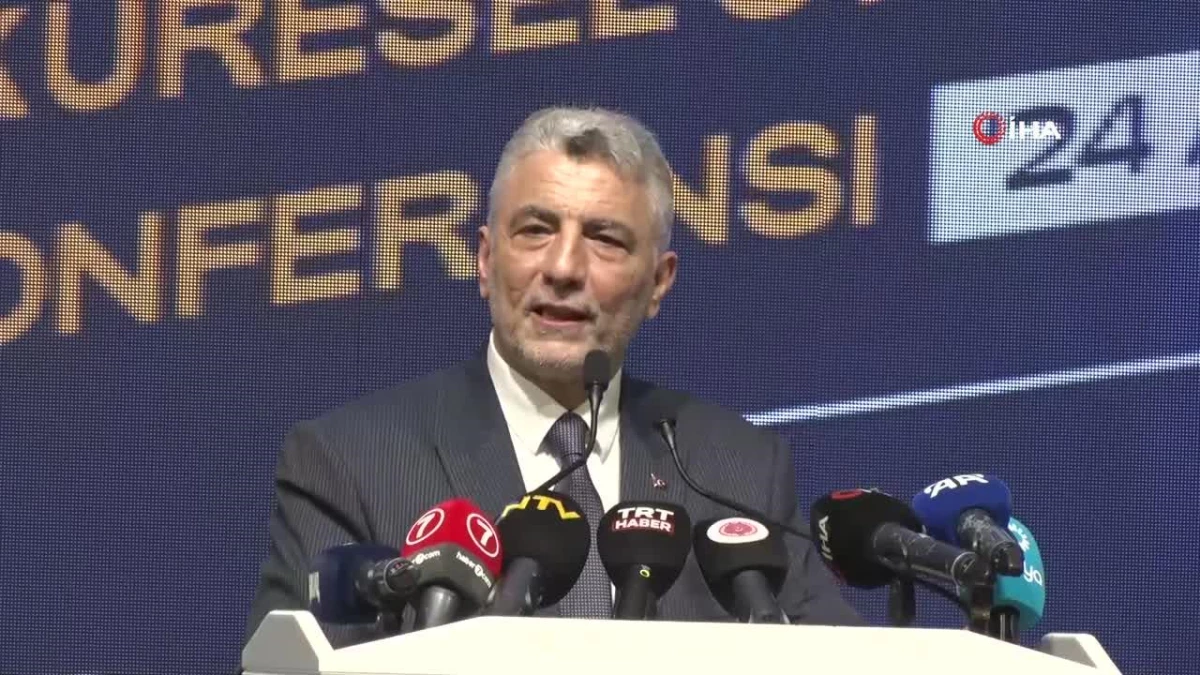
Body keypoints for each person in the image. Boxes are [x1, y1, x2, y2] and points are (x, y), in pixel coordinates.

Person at [244, 106, 861, 647]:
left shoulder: (739, 469)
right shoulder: (351, 462)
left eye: (605, 239)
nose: (564, 268)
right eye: (536, 231)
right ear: (485, 260)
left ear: (658, 283)